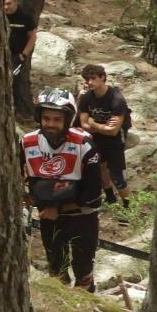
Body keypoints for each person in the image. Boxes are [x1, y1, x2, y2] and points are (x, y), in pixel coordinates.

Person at [21, 88, 104, 292]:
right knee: (57, 269)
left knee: (83, 270)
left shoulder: (84, 145)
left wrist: (57, 208)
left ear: (68, 120)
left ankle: (87, 305)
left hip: (82, 217)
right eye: (46, 118)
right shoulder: (26, 143)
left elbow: (93, 195)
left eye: (57, 119)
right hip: (49, 218)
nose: (50, 124)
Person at [77, 63, 129, 204]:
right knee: (100, 169)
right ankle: (110, 199)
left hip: (114, 141)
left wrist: (94, 124)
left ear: (102, 77)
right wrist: (102, 127)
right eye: (87, 79)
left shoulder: (116, 99)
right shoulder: (87, 98)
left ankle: (128, 206)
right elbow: (83, 124)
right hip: (95, 139)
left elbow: (113, 131)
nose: (90, 82)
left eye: (93, 78)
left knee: (116, 176)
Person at [4, 0, 37, 110]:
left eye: (9, 3)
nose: (6, 7)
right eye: (4, 4)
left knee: (12, 81)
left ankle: (14, 110)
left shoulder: (25, 17)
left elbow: (32, 37)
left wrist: (23, 55)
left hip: (16, 56)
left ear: (16, 2)